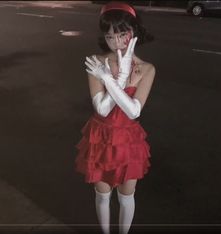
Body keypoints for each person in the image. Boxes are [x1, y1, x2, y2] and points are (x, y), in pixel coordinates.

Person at [75, 1, 156, 234]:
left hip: (128, 139)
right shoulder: (96, 62)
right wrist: (119, 79)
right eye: (110, 36)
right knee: (102, 195)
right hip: (100, 137)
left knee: (126, 196)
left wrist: (113, 80)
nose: (116, 41)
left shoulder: (147, 69)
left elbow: (133, 111)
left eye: (122, 34)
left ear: (134, 32)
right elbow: (102, 109)